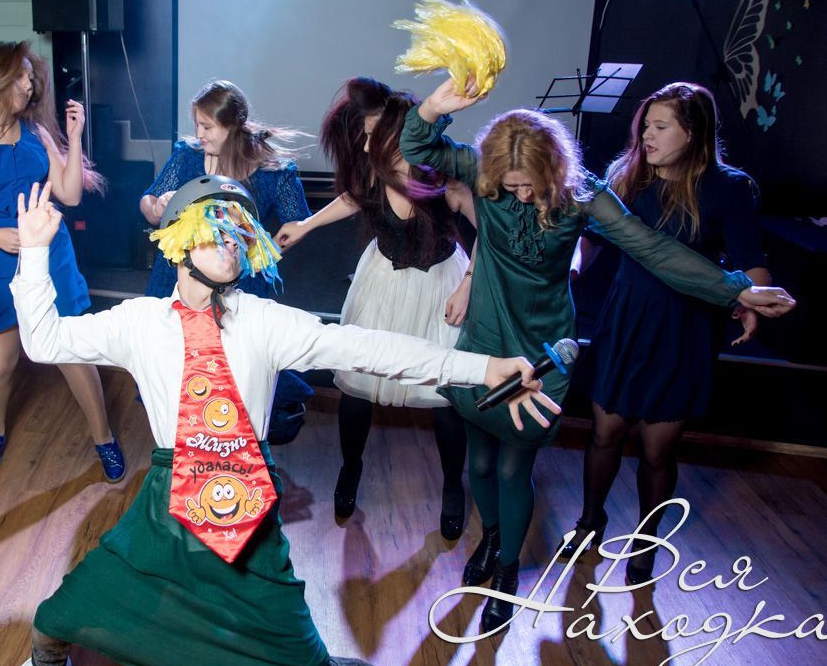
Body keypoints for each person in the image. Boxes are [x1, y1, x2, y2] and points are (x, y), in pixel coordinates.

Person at [0, 175, 558, 666]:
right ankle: (48, 658)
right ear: (180, 241)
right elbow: (44, 342)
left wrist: (482, 368)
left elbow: (369, 348)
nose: (231, 244)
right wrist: (35, 253)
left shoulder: (264, 322)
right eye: (216, 231)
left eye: (241, 234)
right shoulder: (137, 322)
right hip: (166, 499)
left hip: (249, 500)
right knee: (64, 610)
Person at [399, 75, 796, 634]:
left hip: (542, 349)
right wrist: (436, 105)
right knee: (480, 463)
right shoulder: (478, 168)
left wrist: (734, 288)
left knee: (513, 466)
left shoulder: (584, 194)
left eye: (530, 184)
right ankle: (491, 538)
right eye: (510, 186)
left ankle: (507, 572)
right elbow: (416, 145)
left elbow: (653, 248)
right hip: (485, 339)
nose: (521, 195)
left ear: (553, 169)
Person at [558, 82, 774, 584]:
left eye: (660, 127)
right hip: (626, 321)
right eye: (645, 127)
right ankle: (589, 523)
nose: (647, 137)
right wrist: (571, 269)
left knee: (658, 451)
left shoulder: (730, 187)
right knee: (605, 432)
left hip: (684, 329)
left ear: (693, 132)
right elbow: (590, 240)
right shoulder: (627, 176)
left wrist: (754, 302)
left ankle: (646, 541)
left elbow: (752, 263)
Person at [276, 77, 474, 539]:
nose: (365, 145)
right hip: (382, 282)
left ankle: (453, 485)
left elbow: (490, 230)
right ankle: (351, 468)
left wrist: (468, 284)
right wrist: (305, 225)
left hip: (439, 285)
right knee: (358, 385)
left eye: (372, 135)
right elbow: (351, 200)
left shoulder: (445, 179)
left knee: (445, 393)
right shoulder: (373, 173)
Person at [0, 41, 124, 478]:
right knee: (1, 362)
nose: (30, 85)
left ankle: (104, 437)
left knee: (73, 351)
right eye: (21, 76)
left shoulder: (37, 133)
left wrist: (73, 138)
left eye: (32, 78)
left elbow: (70, 195)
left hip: (50, 252)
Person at [139, 79, 310, 297]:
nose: (199, 134)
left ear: (232, 126)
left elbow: (297, 223)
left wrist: (266, 254)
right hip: (179, 278)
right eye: (196, 125)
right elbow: (148, 199)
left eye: (207, 127)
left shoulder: (273, 173)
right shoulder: (187, 156)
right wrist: (157, 209)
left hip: (240, 282)